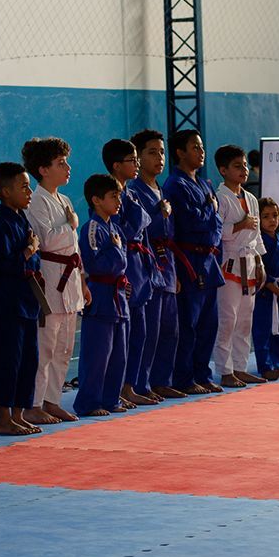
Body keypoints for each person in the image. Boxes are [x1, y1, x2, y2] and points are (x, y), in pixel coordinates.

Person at [22, 138, 87, 425]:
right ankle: (34, 404)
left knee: (65, 348)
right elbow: (46, 240)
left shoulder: (65, 201)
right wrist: (70, 225)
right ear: (43, 169)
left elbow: (75, 248)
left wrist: (82, 280)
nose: (67, 167)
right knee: (46, 346)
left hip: (70, 278)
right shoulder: (36, 201)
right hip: (49, 278)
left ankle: (52, 400)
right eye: (61, 163)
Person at [162, 129, 224, 394]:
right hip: (188, 258)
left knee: (209, 323)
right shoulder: (175, 185)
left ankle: (202, 373)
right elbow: (190, 222)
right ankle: (184, 378)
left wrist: (210, 213)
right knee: (188, 322)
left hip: (209, 258)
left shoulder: (204, 184)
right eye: (195, 147)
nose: (201, 152)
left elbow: (216, 224)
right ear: (180, 152)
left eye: (201, 147)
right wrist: (210, 209)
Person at [0, 162, 45, 435]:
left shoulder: (22, 218)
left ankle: (19, 414)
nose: (29, 192)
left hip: (28, 298)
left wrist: (31, 252)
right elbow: (2, 264)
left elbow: (33, 258)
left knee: (28, 360)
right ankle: (4, 418)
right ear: (5, 192)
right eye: (24, 187)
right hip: (9, 299)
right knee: (7, 361)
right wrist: (29, 250)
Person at [104, 138, 161, 407]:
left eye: (137, 160)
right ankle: (114, 389)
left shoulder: (132, 194)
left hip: (140, 264)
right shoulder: (109, 194)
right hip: (123, 263)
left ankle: (131, 386)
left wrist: (151, 266)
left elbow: (143, 233)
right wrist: (138, 220)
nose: (137, 165)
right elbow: (118, 233)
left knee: (140, 333)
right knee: (122, 338)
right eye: (132, 160)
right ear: (116, 165)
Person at [129, 129, 185, 400]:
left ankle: (162, 380)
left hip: (167, 262)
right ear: (138, 157)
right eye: (152, 152)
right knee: (149, 329)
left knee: (170, 328)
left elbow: (170, 230)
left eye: (162, 152)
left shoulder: (160, 189)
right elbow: (137, 230)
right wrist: (158, 213)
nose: (159, 158)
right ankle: (141, 383)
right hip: (147, 261)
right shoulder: (133, 191)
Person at [73, 174, 130, 416]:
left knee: (119, 355)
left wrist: (119, 259)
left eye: (119, 196)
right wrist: (116, 251)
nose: (118, 201)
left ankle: (111, 399)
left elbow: (124, 263)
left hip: (118, 297)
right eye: (113, 196)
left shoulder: (114, 228)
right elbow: (96, 264)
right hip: (100, 296)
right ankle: (89, 402)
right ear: (96, 200)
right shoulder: (92, 228)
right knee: (97, 355)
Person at [212, 145, 266, 388]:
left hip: (250, 263)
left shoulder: (251, 198)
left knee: (245, 320)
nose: (244, 170)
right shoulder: (220, 198)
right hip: (230, 264)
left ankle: (240, 367)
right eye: (237, 166)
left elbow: (257, 235)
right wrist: (240, 225)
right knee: (228, 320)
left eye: (245, 165)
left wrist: (260, 261)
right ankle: (225, 370)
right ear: (223, 170)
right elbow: (216, 233)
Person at [252, 198, 279, 380]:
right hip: (265, 292)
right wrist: (274, 288)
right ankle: (265, 366)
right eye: (266, 216)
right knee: (264, 330)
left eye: (275, 215)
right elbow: (259, 269)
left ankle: (277, 364)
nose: (272, 220)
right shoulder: (258, 241)